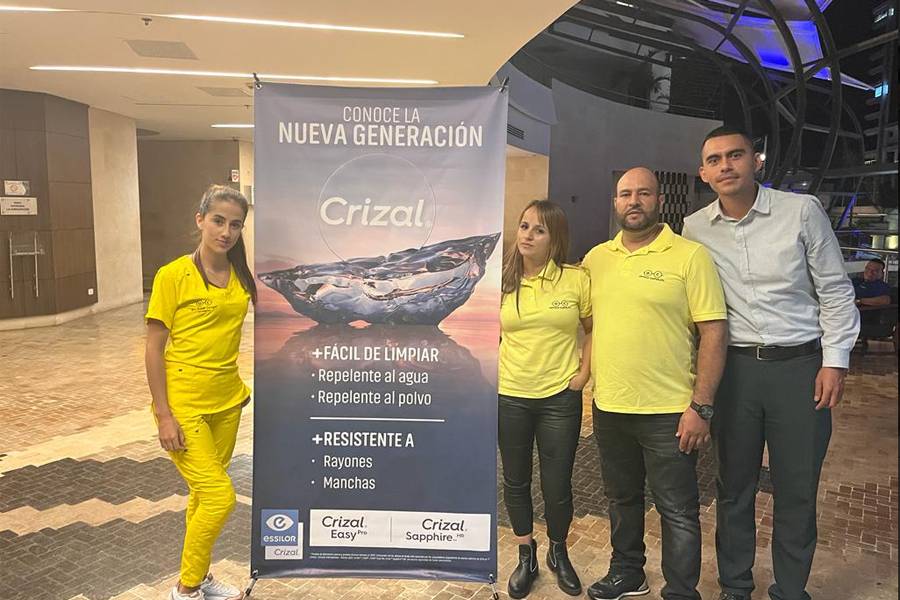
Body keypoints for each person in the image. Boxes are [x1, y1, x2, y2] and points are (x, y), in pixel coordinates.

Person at [683, 126, 860, 600]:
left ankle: (790, 590)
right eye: (714, 159)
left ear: (755, 161)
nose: (726, 165)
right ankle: (735, 586)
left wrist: (835, 361)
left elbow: (835, 290)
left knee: (797, 488)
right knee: (733, 487)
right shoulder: (694, 228)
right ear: (703, 173)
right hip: (735, 373)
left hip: (800, 369)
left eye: (735, 155)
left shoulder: (801, 211)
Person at [583, 168, 728, 600]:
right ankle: (628, 573)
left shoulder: (689, 256)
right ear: (615, 202)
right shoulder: (596, 259)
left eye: (643, 193)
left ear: (659, 200)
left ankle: (681, 591)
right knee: (621, 499)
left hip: (669, 411)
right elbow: (585, 323)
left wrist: (701, 406)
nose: (634, 201)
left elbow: (714, 332)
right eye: (625, 194)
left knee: (677, 510)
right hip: (610, 407)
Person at [145, 185, 257, 600]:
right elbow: (153, 349)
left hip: (227, 402)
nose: (226, 232)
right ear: (200, 220)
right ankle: (186, 589)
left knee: (201, 495)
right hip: (185, 405)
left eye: (235, 225)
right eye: (218, 221)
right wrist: (164, 415)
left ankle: (200, 576)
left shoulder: (241, 276)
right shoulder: (173, 275)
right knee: (219, 496)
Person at [499, 199, 593, 598]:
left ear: (554, 239)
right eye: (524, 226)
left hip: (559, 398)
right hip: (510, 395)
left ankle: (558, 549)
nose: (528, 235)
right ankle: (527, 554)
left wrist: (583, 374)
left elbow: (592, 329)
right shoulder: (502, 279)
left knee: (557, 484)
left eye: (539, 230)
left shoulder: (575, 280)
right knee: (515, 480)